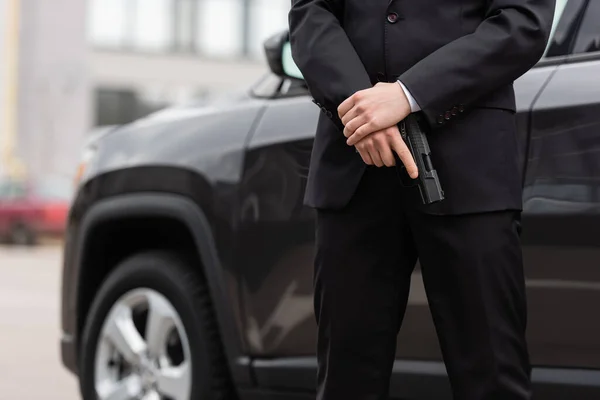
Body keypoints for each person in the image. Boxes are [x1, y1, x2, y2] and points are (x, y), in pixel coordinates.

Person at [288, 0, 556, 399]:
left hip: (468, 168)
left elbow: (522, 22)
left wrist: (408, 94)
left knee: (492, 377)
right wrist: (363, 110)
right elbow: (312, 12)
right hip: (354, 164)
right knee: (346, 380)